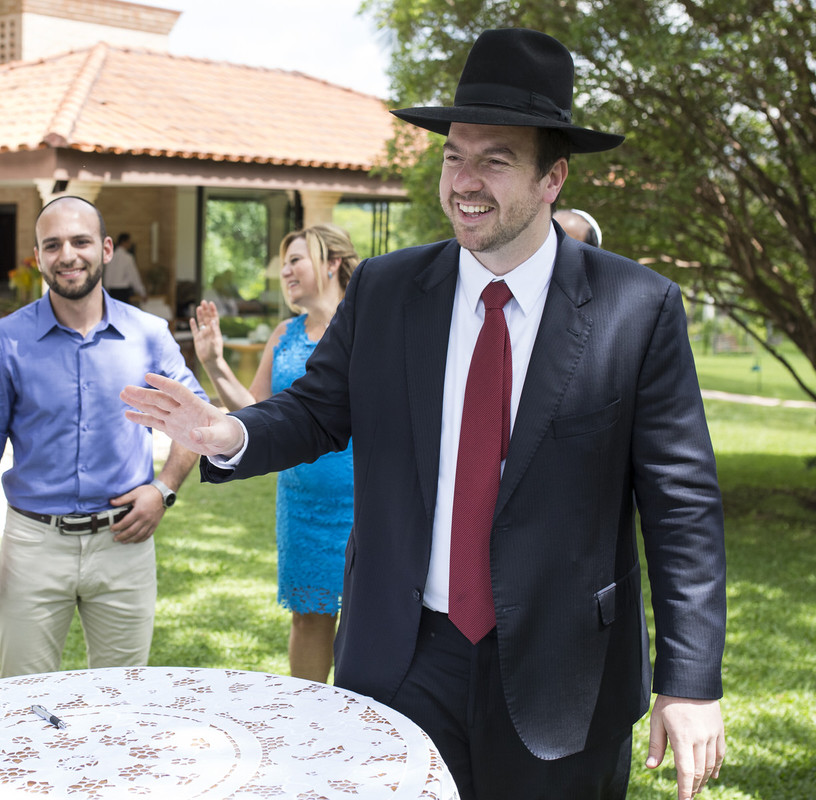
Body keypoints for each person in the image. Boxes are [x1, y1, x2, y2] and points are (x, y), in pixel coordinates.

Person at [121, 28, 726, 800]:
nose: (464, 182)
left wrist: (690, 681)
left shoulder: (635, 308)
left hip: (564, 672)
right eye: (453, 156)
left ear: (553, 178)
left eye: (495, 160)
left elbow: (682, 506)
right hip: (402, 659)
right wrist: (230, 431)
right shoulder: (386, 290)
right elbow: (316, 411)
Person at [0, 196, 206, 678]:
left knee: (122, 699)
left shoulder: (149, 335)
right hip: (33, 546)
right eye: (53, 245)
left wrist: (164, 489)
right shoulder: (5, 340)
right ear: (38, 256)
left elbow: (195, 418)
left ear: (106, 249)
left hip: (124, 543)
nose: (67, 255)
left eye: (80, 241)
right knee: (24, 700)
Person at [189, 223, 357, 683]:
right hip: (301, 506)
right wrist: (214, 363)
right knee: (307, 617)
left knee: (367, 624)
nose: (285, 271)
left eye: (295, 260)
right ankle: (309, 715)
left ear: (332, 262)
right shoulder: (285, 333)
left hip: (364, 505)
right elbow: (258, 414)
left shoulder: (366, 326)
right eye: (283, 264)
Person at [103, 232, 146, 304]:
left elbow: (107, 274)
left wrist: (106, 290)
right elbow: (133, 276)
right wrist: (142, 292)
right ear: (124, 242)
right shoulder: (128, 257)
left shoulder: (111, 256)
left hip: (111, 291)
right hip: (123, 292)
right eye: (129, 242)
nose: (130, 245)